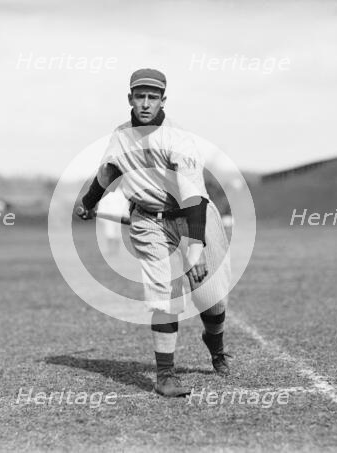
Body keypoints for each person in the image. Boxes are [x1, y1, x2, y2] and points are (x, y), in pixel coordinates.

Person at [76, 68, 232, 397]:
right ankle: (166, 375)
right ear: (130, 99)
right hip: (148, 220)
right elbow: (109, 172)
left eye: (152, 97)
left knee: (211, 300)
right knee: (163, 294)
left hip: (192, 215)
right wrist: (90, 203)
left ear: (163, 100)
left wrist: (193, 250)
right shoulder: (120, 136)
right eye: (139, 96)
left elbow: (192, 198)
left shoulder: (178, 140)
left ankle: (215, 345)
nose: (145, 103)